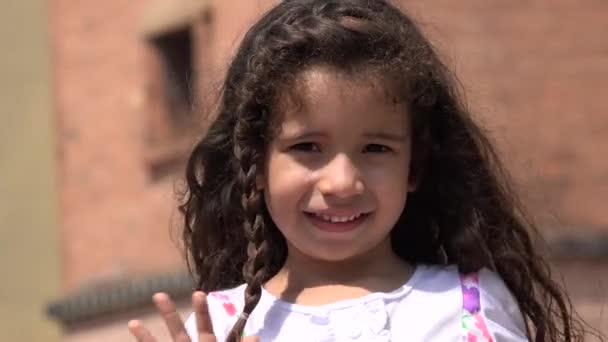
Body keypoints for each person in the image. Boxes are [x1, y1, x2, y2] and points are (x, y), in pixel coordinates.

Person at [128, 0, 604, 341]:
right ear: (254, 165)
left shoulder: (469, 306)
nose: (341, 182)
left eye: (375, 148)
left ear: (414, 166)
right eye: (307, 147)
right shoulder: (217, 326)